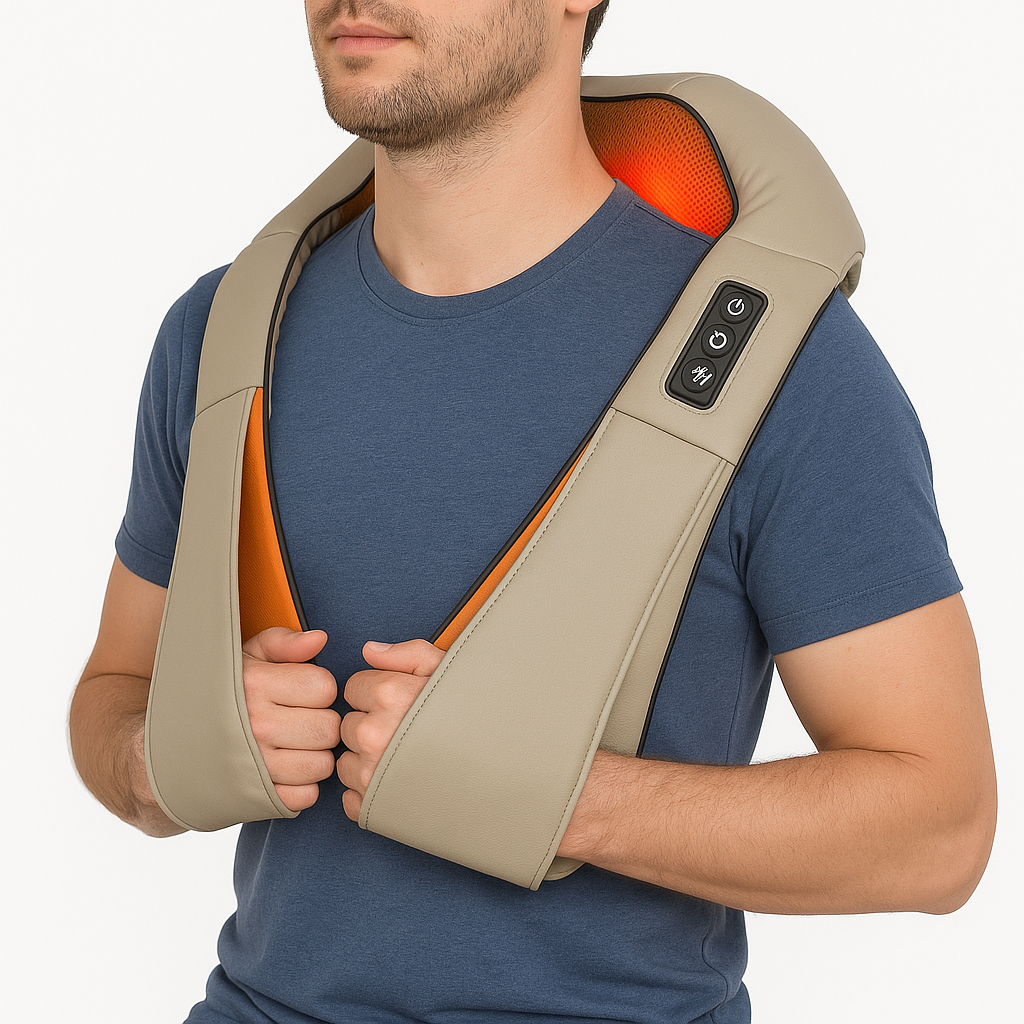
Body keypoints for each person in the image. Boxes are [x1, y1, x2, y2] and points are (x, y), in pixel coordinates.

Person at [69, 2, 997, 1022]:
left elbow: (939, 831)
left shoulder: (773, 365)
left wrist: (563, 796)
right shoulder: (220, 338)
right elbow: (113, 692)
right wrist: (168, 752)